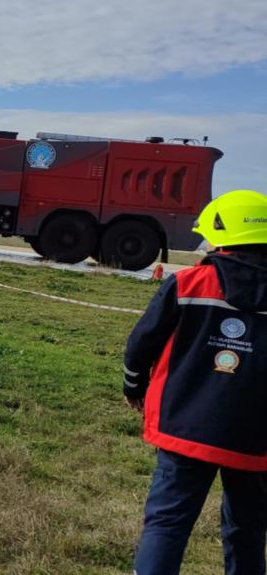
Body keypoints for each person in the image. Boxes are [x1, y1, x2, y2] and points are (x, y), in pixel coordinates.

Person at [125, 190, 267, 575]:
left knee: (167, 524)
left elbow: (140, 344)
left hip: (185, 425)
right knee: (249, 529)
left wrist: (133, 387)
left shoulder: (188, 283)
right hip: (256, 438)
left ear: (221, 235)